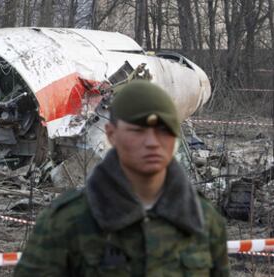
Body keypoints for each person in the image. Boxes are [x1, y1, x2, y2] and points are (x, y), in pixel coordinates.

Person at [14, 80, 229, 276]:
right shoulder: (67, 222)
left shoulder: (203, 219)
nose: (152, 142)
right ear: (111, 135)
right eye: (138, 131)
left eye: (163, 131)